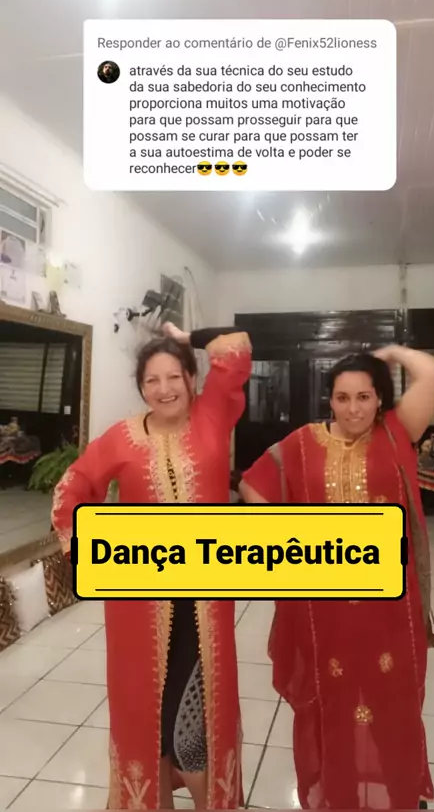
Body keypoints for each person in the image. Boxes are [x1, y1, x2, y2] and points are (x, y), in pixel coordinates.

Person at [51, 323, 252, 810]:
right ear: (141, 387)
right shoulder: (121, 438)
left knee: (196, 719)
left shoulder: (213, 415)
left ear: (191, 379)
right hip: (139, 605)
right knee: (150, 715)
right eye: (151, 381)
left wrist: (190, 337)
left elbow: (237, 348)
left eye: (173, 377)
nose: (163, 390)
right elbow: (72, 488)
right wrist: (90, 550)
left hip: (205, 601)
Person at [240, 345, 434, 811]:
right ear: (329, 400)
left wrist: (389, 351)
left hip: (391, 606)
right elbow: (252, 484)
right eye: (342, 397)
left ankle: (398, 795)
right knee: (332, 702)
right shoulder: (302, 443)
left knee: (392, 705)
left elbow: (433, 371)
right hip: (324, 608)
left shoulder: (396, 432)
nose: (353, 409)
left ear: (380, 399)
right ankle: (342, 796)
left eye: (364, 397)